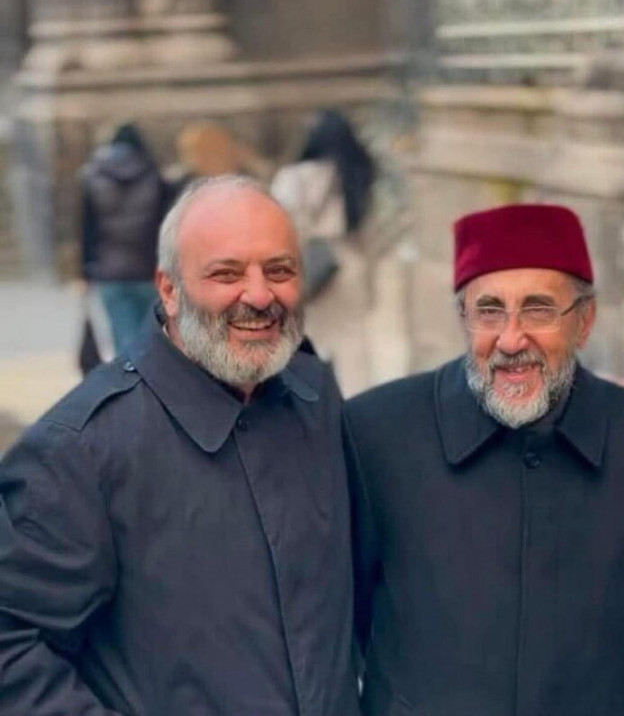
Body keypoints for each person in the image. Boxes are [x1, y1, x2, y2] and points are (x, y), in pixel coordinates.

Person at [0, 176, 360, 716]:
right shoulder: (79, 451)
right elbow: (11, 645)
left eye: (279, 270)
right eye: (226, 273)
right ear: (168, 290)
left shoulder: (316, 396)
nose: (259, 295)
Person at [345, 203, 624, 716]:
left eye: (538, 309)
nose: (511, 339)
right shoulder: (374, 430)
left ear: (584, 321)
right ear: (464, 318)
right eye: (489, 310)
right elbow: (351, 610)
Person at [271, 109, 376, 396]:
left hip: (309, 265)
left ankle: (313, 407)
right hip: (350, 263)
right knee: (353, 344)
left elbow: (278, 227)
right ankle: (357, 407)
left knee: (308, 341)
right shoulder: (359, 175)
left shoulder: (293, 177)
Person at [80, 123, 167, 356]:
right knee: (153, 335)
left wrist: (85, 271)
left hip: (110, 271)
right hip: (148, 269)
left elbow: (87, 228)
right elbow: (164, 225)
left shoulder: (93, 176)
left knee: (122, 337)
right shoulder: (153, 173)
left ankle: (129, 376)